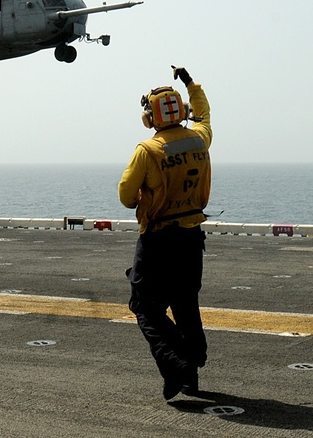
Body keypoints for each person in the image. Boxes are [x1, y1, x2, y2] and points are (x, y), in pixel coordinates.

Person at [118, 66, 212, 401]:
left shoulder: (147, 150)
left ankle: (177, 362)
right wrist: (190, 82)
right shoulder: (200, 139)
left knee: (144, 306)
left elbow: (126, 196)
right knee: (186, 303)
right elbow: (203, 113)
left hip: (157, 239)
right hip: (191, 237)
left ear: (151, 117)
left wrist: (147, 195)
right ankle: (193, 366)